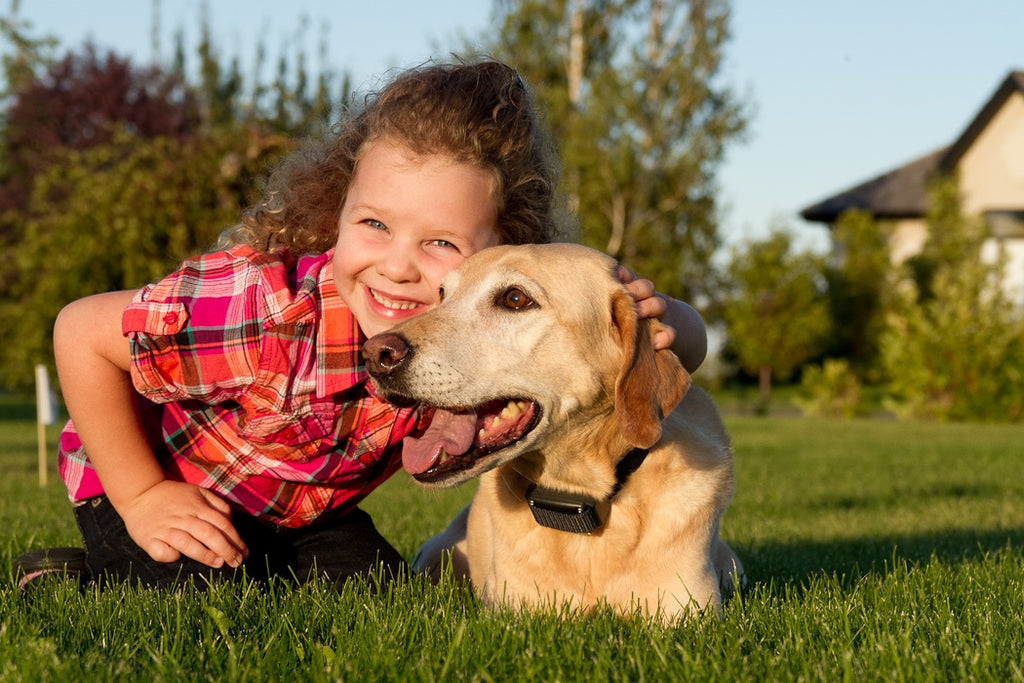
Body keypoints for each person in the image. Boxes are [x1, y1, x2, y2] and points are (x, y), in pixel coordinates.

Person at [15, 59, 707, 591]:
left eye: (441, 242)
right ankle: (74, 566)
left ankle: (254, 557)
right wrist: (141, 494)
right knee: (194, 587)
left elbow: (684, 350)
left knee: (379, 590)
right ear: (336, 208)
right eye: (374, 224)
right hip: (163, 475)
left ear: (502, 249)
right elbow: (80, 332)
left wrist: (649, 313)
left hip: (300, 512)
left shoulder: (451, 354)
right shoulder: (264, 311)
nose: (399, 267)